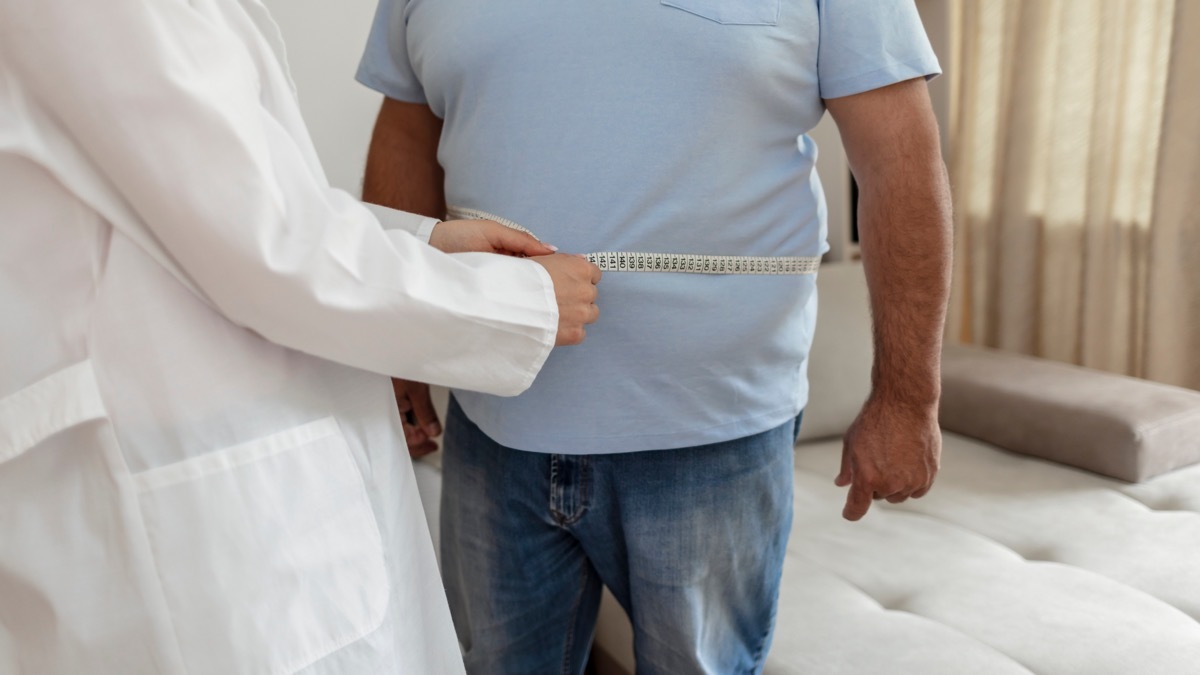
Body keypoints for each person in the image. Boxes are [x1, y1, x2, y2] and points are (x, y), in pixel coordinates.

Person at [0, 1, 602, 673]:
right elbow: (266, 246)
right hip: (187, 513)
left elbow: (235, 204)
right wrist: (513, 301)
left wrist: (424, 243)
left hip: (215, 452)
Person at [358, 1, 952, 673]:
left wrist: (908, 398)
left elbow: (899, 155)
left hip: (714, 437)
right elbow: (406, 131)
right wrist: (397, 352)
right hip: (492, 422)